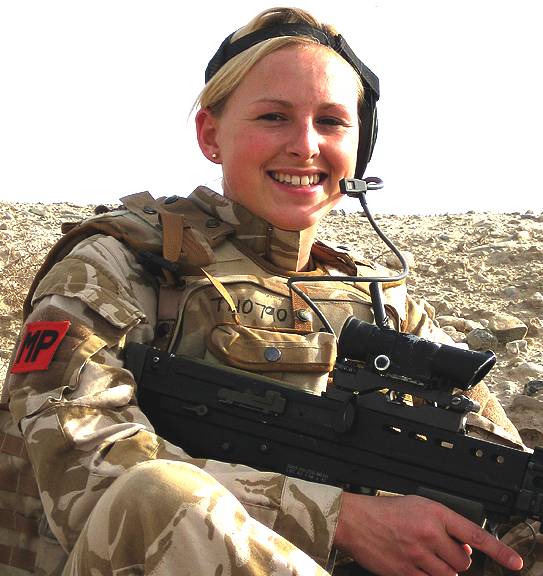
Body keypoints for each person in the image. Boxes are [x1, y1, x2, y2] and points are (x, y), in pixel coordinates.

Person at [0, 7, 530, 575]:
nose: (305, 146)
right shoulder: (119, 266)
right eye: (274, 117)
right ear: (211, 135)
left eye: (331, 122)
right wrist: (339, 520)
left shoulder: (383, 304)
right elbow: (88, 465)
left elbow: (495, 455)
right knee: (158, 496)